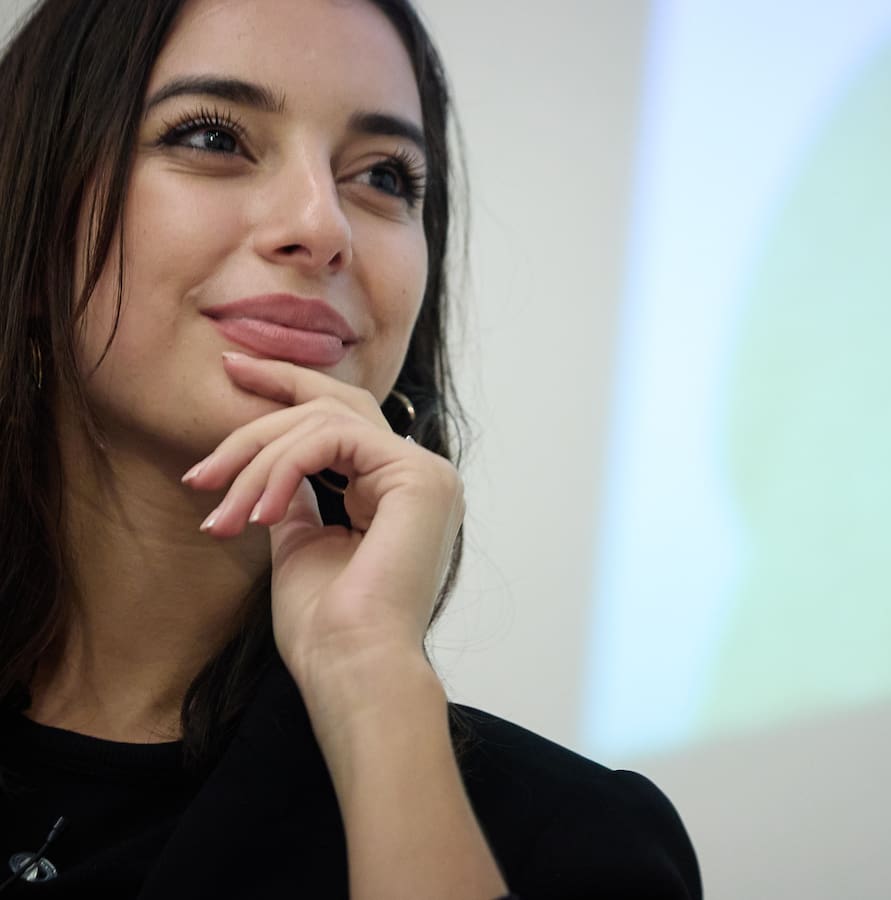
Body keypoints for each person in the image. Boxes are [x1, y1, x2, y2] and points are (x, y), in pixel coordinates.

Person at [0, 1, 703, 897]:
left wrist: (368, 672)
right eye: (213, 137)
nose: (322, 225)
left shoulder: (570, 843)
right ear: (30, 214)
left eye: (383, 176)